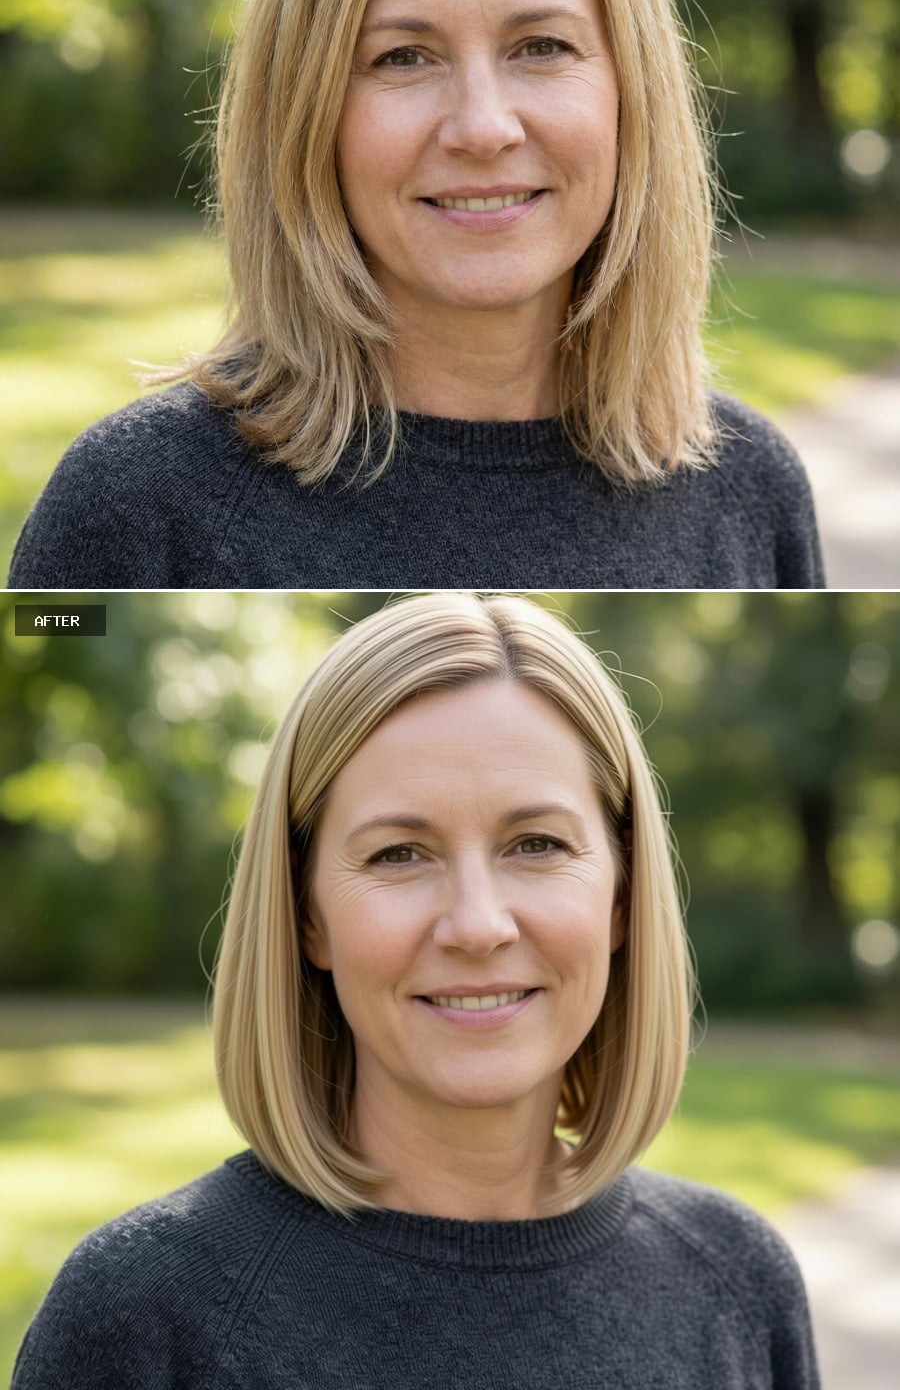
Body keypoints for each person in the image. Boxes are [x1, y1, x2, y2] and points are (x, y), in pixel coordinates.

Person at [8, 0, 822, 590]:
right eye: (403, 57)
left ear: (629, 92)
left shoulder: (752, 493)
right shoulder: (138, 508)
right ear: (304, 112)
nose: (482, 126)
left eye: (540, 46)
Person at [13, 593, 821, 1388]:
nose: (477, 925)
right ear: (307, 917)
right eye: (399, 854)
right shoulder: (142, 1315)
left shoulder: (737, 1284)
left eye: (536, 843)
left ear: (621, 894)